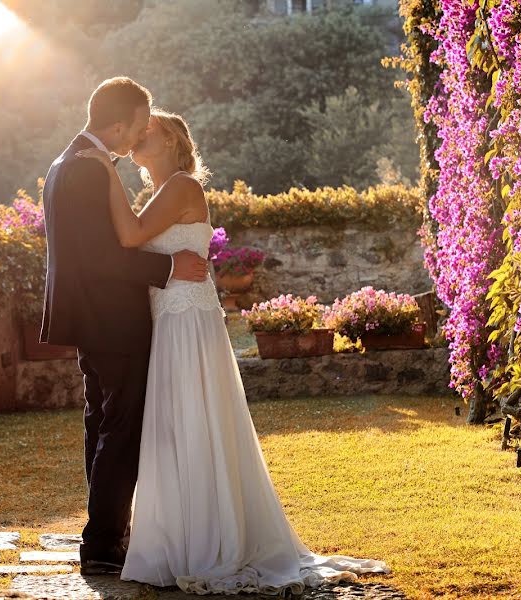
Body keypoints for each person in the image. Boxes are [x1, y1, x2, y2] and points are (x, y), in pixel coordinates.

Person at [76, 108, 390, 595]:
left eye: (148, 131)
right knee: (171, 427)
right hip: (169, 319)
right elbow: (137, 244)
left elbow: (132, 237)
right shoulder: (160, 192)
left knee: (193, 422)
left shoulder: (183, 187)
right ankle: (175, 537)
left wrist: (104, 168)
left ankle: (207, 540)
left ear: (174, 142)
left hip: (186, 323)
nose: (138, 136)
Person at [39, 77, 209, 575]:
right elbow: (101, 257)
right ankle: (104, 542)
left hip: (90, 317)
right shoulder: (89, 169)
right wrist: (169, 268)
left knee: (101, 422)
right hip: (112, 316)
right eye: (137, 125)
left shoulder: (65, 162)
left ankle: (104, 533)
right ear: (116, 124)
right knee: (121, 427)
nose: (139, 134)